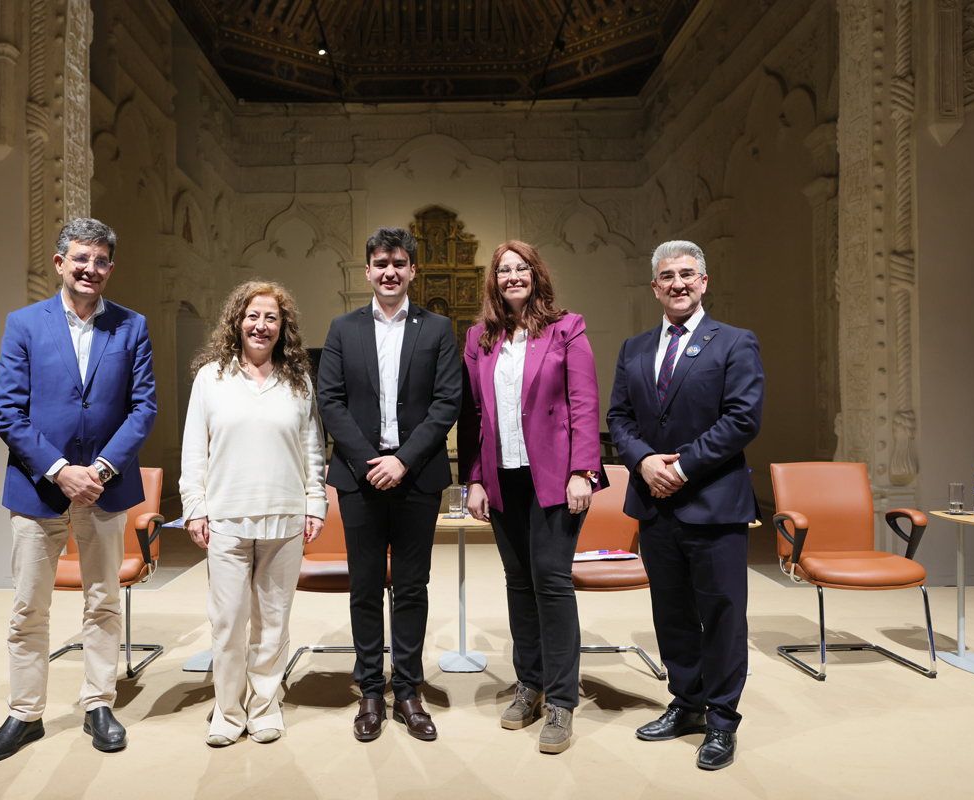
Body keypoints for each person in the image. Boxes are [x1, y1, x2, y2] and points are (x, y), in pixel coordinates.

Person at [0, 218, 157, 762]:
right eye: (82, 259)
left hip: (104, 489)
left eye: (101, 260)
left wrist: (99, 470)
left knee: (103, 603)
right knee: (28, 606)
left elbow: (142, 408)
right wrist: (59, 469)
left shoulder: (132, 326)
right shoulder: (24, 324)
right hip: (39, 490)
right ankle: (24, 714)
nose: (91, 269)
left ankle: (98, 704)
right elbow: (6, 410)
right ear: (60, 263)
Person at [606, 240, 763, 770]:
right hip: (655, 504)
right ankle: (687, 702)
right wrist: (646, 462)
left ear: (704, 281)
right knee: (671, 613)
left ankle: (721, 721)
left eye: (687, 274)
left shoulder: (736, 343)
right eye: (667, 276)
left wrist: (682, 466)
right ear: (654, 286)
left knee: (721, 614)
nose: (678, 283)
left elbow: (743, 419)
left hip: (714, 503)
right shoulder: (634, 348)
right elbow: (619, 419)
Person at [317, 226, 461, 742]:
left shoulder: (438, 328)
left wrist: (401, 461)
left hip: (417, 477)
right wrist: (369, 461)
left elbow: (447, 403)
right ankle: (370, 692)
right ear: (368, 271)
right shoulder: (342, 328)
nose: (390, 272)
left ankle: (408, 690)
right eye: (381, 263)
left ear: (412, 270)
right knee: (364, 586)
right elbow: (329, 401)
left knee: (411, 585)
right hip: (358, 479)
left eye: (399, 263)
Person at [459, 241, 604, 754]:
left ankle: (562, 701)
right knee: (519, 581)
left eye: (522, 268)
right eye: (504, 270)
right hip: (502, 477)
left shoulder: (568, 328)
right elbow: (473, 416)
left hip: (555, 478)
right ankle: (530, 683)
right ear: (494, 281)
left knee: (552, 580)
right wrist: (474, 479)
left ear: (536, 275)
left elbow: (585, 402)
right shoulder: (480, 337)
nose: (513, 276)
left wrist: (582, 470)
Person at [179, 281, 327, 747]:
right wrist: (194, 507)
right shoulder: (211, 379)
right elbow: (193, 450)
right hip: (226, 516)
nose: (261, 326)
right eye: (253, 316)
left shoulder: (298, 381)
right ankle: (227, 711)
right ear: (237, 322)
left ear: (283, 328)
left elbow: (313, 448)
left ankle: (264, 705)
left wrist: (315, 501)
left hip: (285, 517)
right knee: (227, 620)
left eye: (271, 318)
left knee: (274, 619)